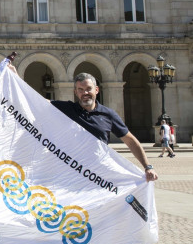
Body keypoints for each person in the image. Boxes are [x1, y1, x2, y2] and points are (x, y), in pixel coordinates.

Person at [13, 69, 157, 182]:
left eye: (88, 89)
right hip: (71, 173)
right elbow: (37, 100)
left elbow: (130, 141)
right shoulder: (67, 110)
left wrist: (147, 167)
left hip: (98, 174)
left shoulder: (108, 115)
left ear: (96, 90)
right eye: (80, 90)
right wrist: (16, 79)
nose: (85, 93)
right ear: (75, 92)